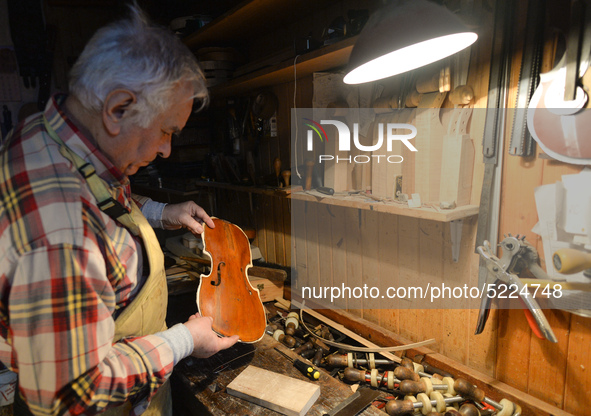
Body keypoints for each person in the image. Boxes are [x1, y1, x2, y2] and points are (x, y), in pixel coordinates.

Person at [0, 3, 239, 415]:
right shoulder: (60, 228)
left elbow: (106, 196)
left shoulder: (54, 134)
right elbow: (69, 393)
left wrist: (163, 211)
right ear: (118, 108)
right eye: (166, 130)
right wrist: (187, 339)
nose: (166, 150)